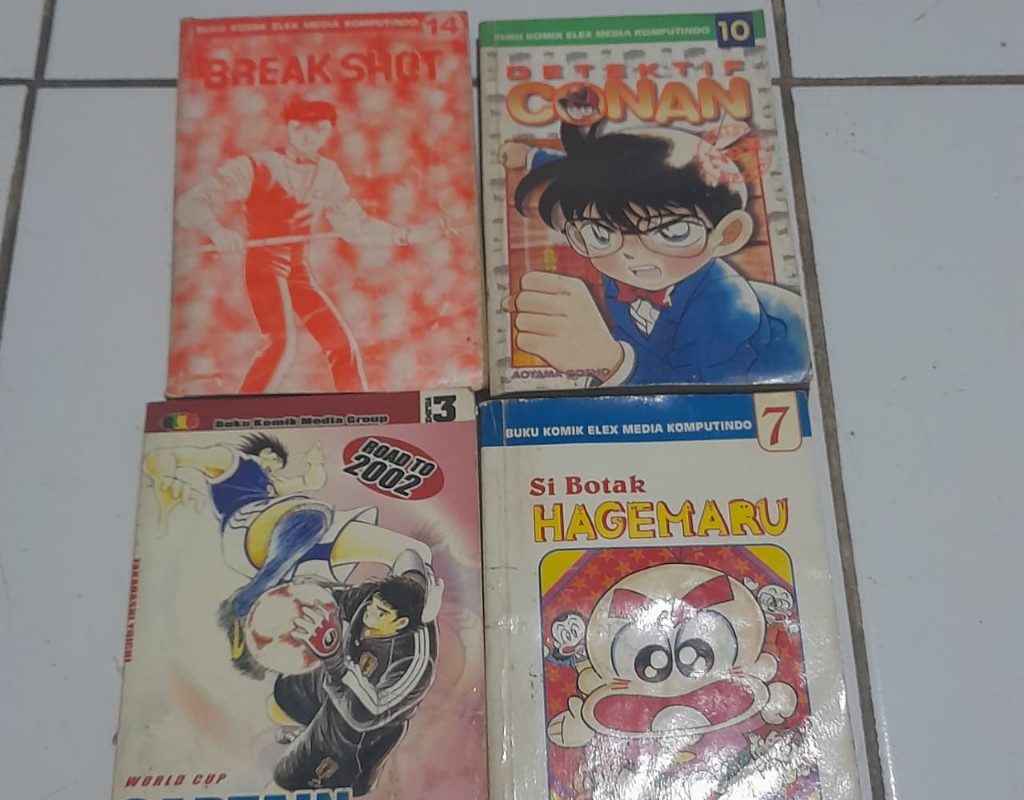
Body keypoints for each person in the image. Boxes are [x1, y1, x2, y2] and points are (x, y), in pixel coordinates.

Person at [501, 120, 809, 386]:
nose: (631, 254)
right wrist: (531, 157)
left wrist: (611, 363)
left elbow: (700, 399)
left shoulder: (725, 308)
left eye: (672, 232)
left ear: (726, 235)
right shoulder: (618, 264)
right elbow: (585, 173)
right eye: (600, 233)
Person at [175, 96, 448, 392]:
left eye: (318, 129)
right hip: (264, 268)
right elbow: (189, 204)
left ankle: (360, 411)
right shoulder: (256, 165)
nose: (308, 137)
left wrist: (407, 235)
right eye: (299, 128)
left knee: (341, 344)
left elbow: (356, 227)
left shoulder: (328, 174)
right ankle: (241, 412)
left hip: (298, 271)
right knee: (281, 345)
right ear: (287, 128)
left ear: (330, 132)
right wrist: (216, 231)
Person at [142, 433, 431, 672]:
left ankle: (383, 638)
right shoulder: (231, 460)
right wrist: (165, 479)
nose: (273, 469)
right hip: (248, 531)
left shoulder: (271, 486)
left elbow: (310, 483)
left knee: (410, 552)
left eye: (276, 467)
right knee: (312, 515)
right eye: (273, 462)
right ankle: (246, 600)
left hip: (297, 540)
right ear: (264, 452)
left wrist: (315, 463)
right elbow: (161, 456)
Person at [270, 566, 440, 796]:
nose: (370, 612)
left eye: (380, 613)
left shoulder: (414, 660)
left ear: (400, 624)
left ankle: (355, 771)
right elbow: (345, 599)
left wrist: (333, 658)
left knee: (290, 776)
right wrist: (319, 590)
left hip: (364, 726)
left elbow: (368, 713)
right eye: (373, 604)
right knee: (288, 688)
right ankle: (314, 725)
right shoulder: (376, 596)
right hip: (343, 673)